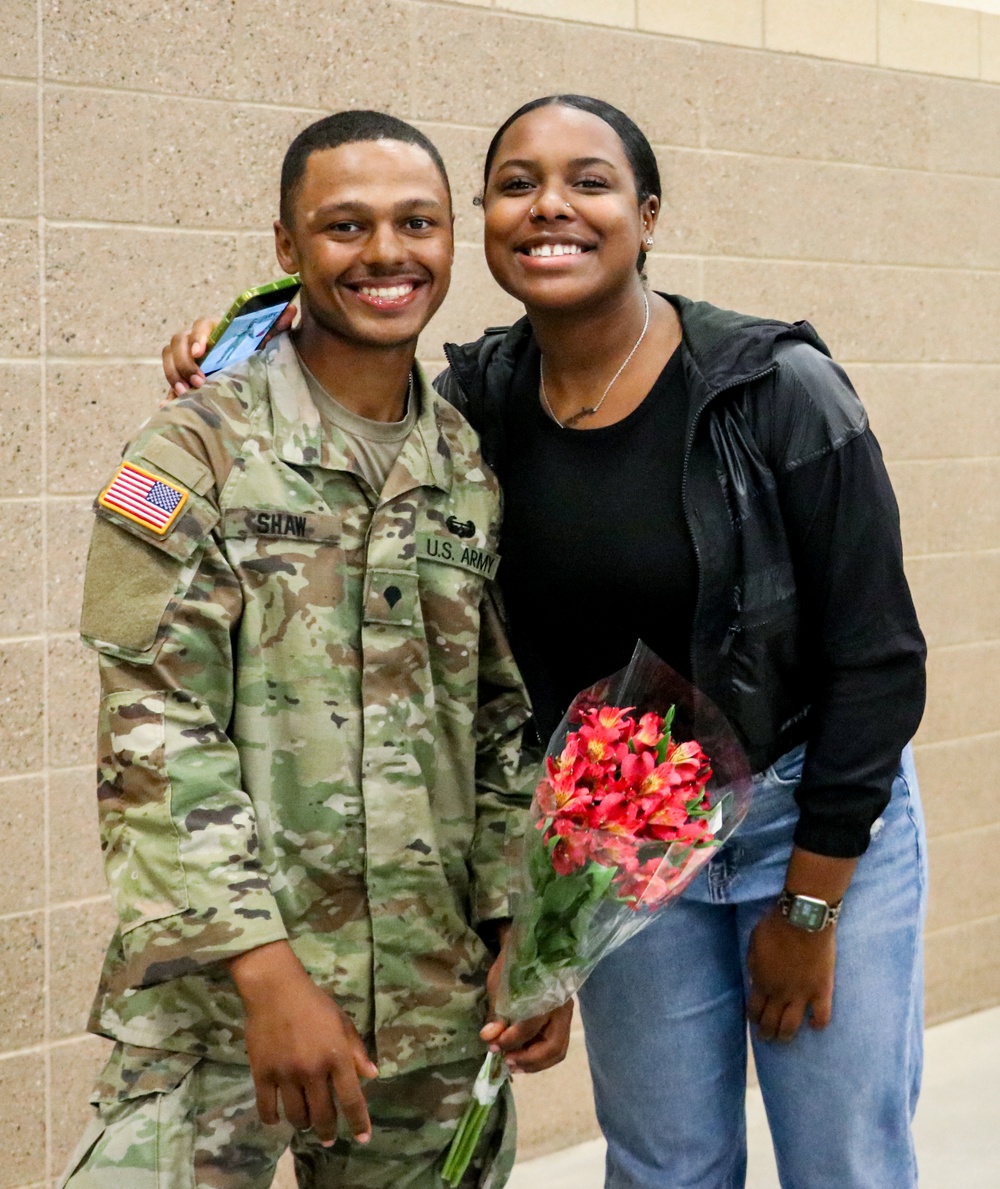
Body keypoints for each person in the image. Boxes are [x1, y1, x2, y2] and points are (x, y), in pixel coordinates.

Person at [161, 96, 928, 1189]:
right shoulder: (476, 400)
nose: (549, 207)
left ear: (647, 214)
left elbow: (880, 658)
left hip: (811, 824)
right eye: (516, 185)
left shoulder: (773, 390)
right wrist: (238, 336)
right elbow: (346, 378)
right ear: (485, 221)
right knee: (665, 1163)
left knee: (842, 1162)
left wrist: (810, 903)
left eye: (589, 182)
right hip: (618, 851)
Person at [64, 110, 572, 1189]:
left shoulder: (463, 465)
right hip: (217, 1012)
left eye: (416, 222)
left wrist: (523, 941)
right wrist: (263, 970)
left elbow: (493, 727)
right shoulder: (198, 446)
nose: (386, 253)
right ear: (288, 249)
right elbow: (156, 729)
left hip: (430, 1023)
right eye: (345, 226)